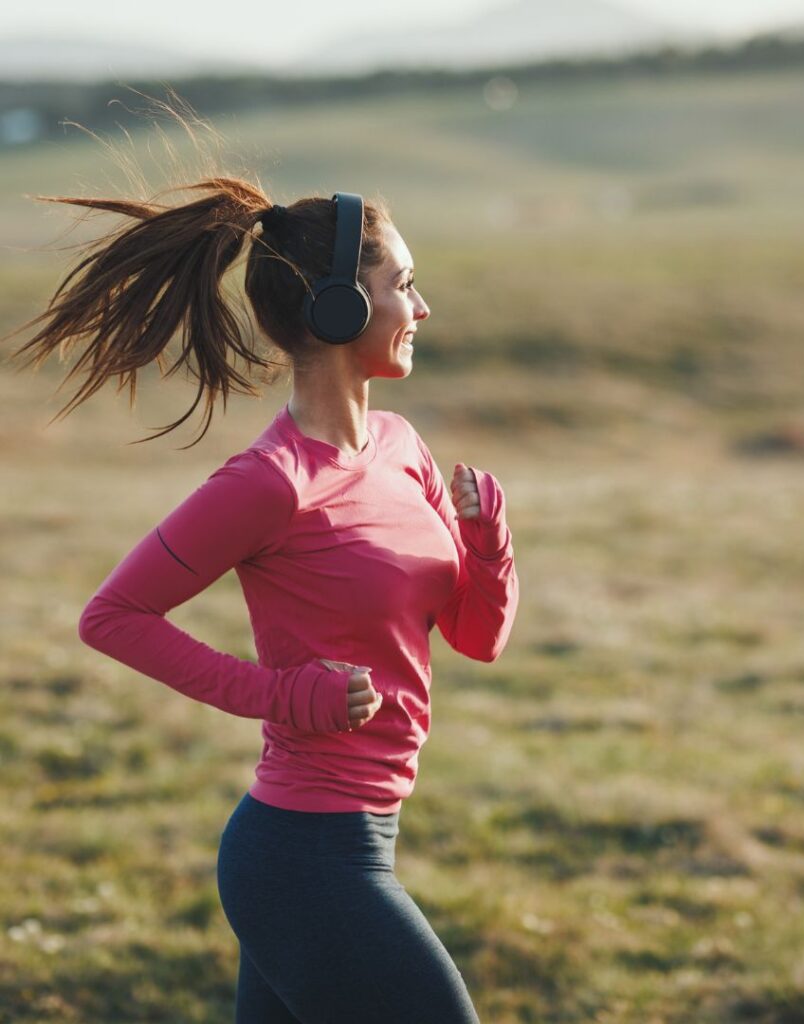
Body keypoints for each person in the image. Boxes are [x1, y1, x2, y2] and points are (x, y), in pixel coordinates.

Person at [6, 162, 519, 1022]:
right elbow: (112, 618)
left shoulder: (402, 447)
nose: (422, 309)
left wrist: (487, 543)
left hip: (361, 840)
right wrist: (283, 694)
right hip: (304, 859)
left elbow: (476, 636)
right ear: (339, 309)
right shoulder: (270, 481)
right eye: (405, 285)